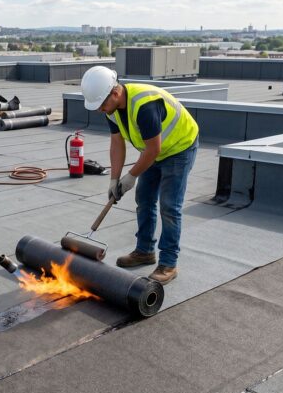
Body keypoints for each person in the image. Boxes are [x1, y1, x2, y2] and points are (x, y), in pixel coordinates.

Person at [80, 66, 199, 285]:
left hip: (179, 148)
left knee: (169, 206)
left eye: (101, 104)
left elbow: (153, 150)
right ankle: (145, 251)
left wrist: (131, 176)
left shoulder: (144, 105)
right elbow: (117, 143)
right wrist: (114, 179)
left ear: (115, 93)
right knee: (144, 199)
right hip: (154, 150)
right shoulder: (112, 108)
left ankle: (169, 263)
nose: (100, 110)